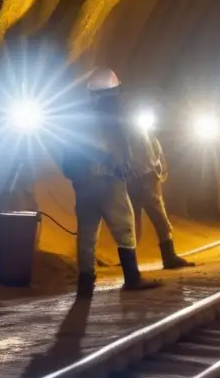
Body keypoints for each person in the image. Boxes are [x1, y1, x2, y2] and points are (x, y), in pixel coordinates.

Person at [60, 68, 161, 298]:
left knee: (86, 234)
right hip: (107, 181)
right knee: (125, 226)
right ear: (114, 91)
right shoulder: (110, 118)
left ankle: (85, 284)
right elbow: (113, 148)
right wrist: (121, 165)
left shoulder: (80, 119)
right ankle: (132, 277)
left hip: (83, 185)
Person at [126, 110, 194, 270]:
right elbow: (133, 162)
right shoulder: (131, 141)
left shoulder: (152, 140)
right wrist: (140, 178)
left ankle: (169, 257)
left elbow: (160, 159)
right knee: (133, 225)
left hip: (151, 182)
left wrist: (161, 173)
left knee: (161, 221)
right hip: (137, 184)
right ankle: (131, 265)